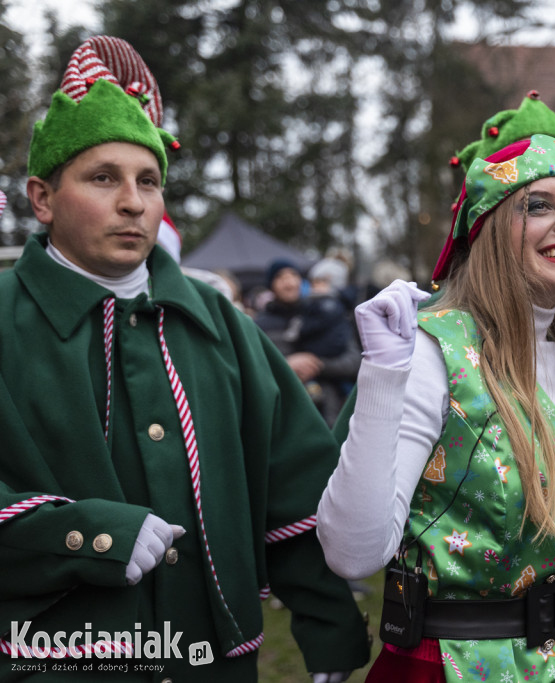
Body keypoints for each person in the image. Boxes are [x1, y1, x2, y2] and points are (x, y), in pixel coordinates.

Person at [0, 36, 368, 681]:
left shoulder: (220, 321)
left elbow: (298, 484)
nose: (133, 202)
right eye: (102, 178)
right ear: (42, 198)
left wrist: (329, 630)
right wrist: (80, 535)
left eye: (148, 181)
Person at [318, 94, 555, 682]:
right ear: (488, 230)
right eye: (538, 205)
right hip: (446, 667)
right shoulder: (437, 355)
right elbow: (352, 553)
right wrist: (384, 375)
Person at [256, 258, 359, 422]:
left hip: (332, 414)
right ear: (271, 285)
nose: (289, 283)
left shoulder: (326, 313)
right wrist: (286, 365)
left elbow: (354, 361)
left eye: (293, 275)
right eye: (280, 277)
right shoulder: (260, 326)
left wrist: (317, 364)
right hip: (285, 416)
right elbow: (254, 369)